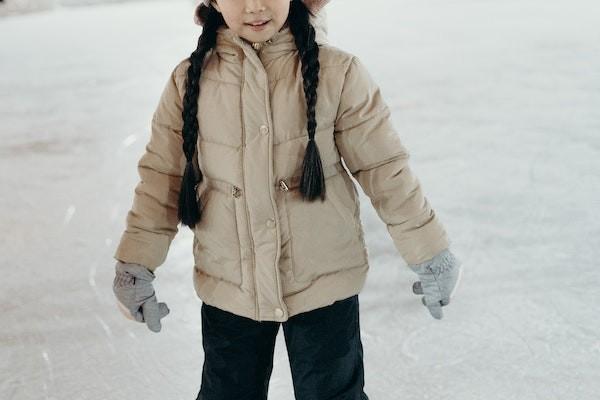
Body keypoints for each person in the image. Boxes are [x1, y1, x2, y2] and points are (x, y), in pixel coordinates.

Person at [112, 0, 463, 398]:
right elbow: (162, 179)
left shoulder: (338, 73)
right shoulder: (189, 80)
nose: (255, 6)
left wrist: (429, 251)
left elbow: (385, 169)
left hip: (323, 280)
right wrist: (136, 263)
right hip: (232, 283)